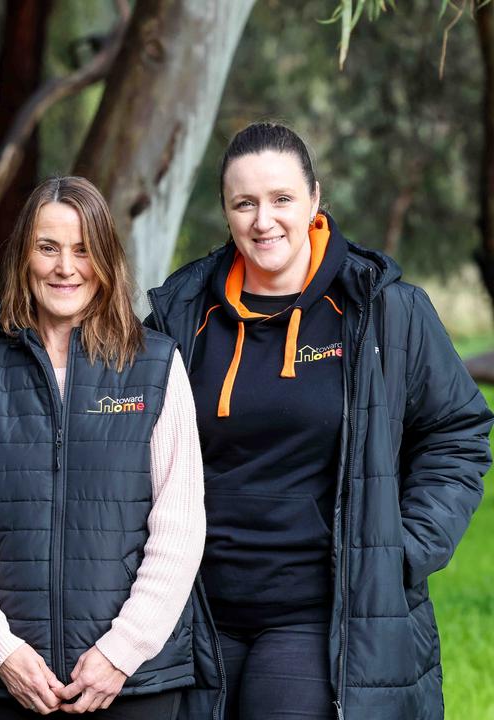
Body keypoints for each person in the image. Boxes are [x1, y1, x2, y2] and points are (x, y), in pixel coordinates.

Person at [146, 121, 494, 720]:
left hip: (321, 610)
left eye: (281, 198)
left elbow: (455, 434)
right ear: (225, 212)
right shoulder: (181, 316)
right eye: (244, 203)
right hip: (197, 607)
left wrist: (401, 551)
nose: (264, 220)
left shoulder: (383, 310)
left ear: (314, 199)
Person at [0, 176, 205, 719]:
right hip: (15, 683)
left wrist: (120, 652)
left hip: (134, 682)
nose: (66, 267)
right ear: (23, 258)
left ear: (106, 258)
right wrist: (1, 650)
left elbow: (179, 525)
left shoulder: (153, 364)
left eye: (84, 250)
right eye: (48, 248)